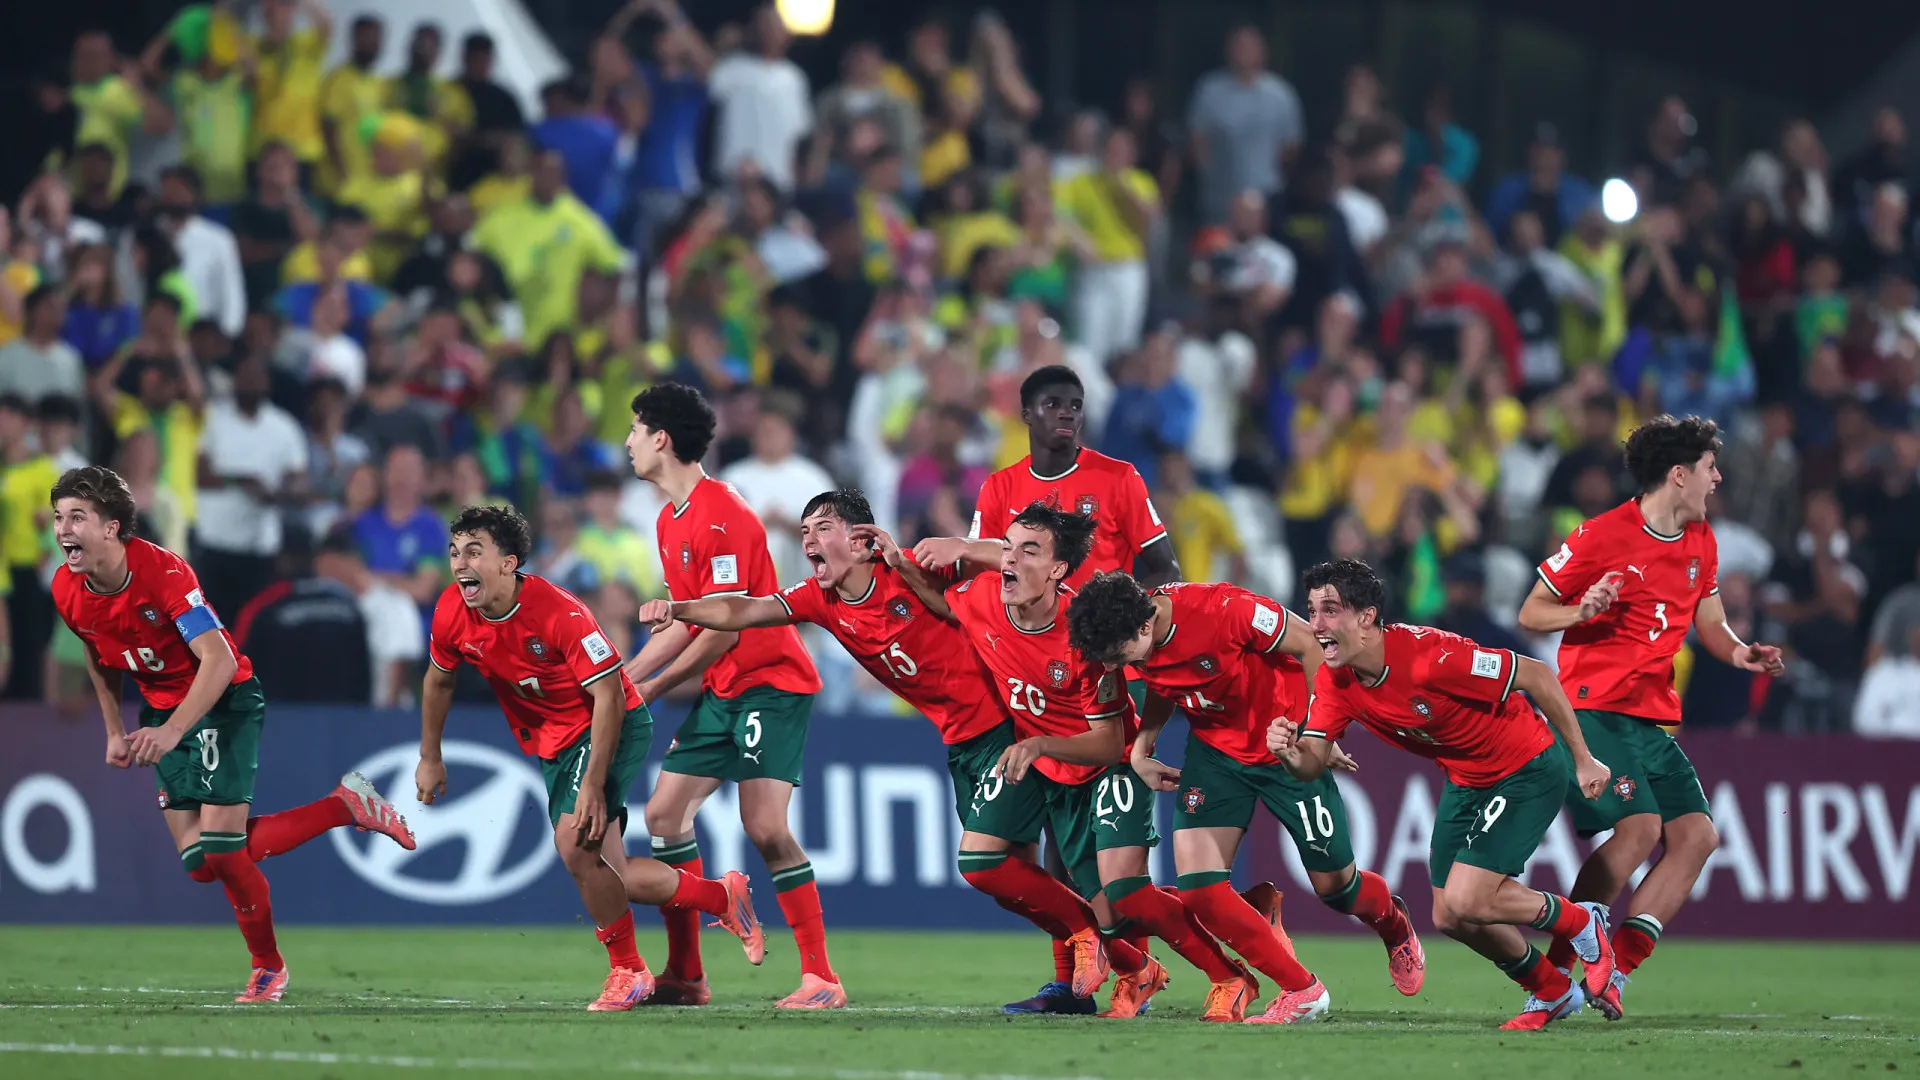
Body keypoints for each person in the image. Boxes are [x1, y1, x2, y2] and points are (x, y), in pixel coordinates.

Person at [639, 488, 1134, 1005]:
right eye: (804, 531)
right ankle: (1088, 974)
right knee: (1017, 872)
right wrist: (679, 607)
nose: (808, 539)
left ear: (859, 542)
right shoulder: (820, 599)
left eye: (822, 528)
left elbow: (1009, 555)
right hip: (960, 740)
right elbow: (745, 609)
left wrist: (957, 546)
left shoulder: (907, 566)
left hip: (1005, 728)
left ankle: (1089, 939)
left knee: (988, 863)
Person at [48, 465, 416, 1002]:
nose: (63, 529)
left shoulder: (165, 574)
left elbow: (217, 661)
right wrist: (113, 728)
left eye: (77, 517)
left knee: (223, 851)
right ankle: (345, 805)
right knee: (200, 864)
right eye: (59, 517)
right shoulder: (68, 587)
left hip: (223, 702)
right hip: (162, 711)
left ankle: (268, 968)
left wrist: (174, 730)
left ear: (112, 528)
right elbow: (96, 649)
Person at [876, 502, 1255, 1019]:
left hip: (1106, 764)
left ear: (1057, 570)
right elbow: (947, 604)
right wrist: (900, 563)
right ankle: (1098, 944)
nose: (1009, 560)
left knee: (1125, 902)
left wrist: (1038, 745)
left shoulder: (1084, 637)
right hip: (1044, 761)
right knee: (980, 862)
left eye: (1028, 550)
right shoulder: (985, 594)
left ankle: (1226, 973)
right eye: (1007, 548)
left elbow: (1106, 739)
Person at [418, 504, 763, 1011]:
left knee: (575, 841)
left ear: (508, 563)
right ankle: (722, 897)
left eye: (474, 551)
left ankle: (628, 970)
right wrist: (430, 756)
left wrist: (594, 785)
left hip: (609, 725)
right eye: (454, 552)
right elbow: (439, 679)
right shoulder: (453, 609)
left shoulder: (560, 611)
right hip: (553, 741)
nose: (460, 563)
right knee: (613, 873)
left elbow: (609, 696)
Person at [1270, 557, 1617, 1031]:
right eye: (1311, 612)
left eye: (1329, 610)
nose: (1316, 625)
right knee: (1451, 916)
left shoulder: (1431, 657)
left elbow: (1537, 674)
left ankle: (1582, 924)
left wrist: (1583, 758)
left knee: (1471, 899)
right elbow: (1312, 764)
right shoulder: (1336, 679)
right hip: (1467, 779)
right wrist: (1290, 754)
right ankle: (1552, 991)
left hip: (1527, 765)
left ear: (1367, 617)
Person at [1515, 414, 1786, 1018]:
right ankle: (1554, 977)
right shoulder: (1600, 536)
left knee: (1697, 836)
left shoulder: (1702, 541)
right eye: (1711, 469)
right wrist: (1581, 609)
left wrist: (1742, 653)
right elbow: (1532, 613)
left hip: (1651, 718)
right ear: (1679, 474)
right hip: (1593, 709)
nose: (1718, 480)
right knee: (1639, 829)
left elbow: (1709, 624)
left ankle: (1617, 971)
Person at [1070, 571, 1412, 1024]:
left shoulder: (1225, 609)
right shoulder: (1135, 635)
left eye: (1118, 656)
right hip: (1215, 754)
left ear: (1146, 626)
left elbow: (1309, 644)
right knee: (1199, 889)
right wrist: (1140, 748)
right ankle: (1301, 989)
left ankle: (1392, 922)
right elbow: (1163, 683)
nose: (1113, 666)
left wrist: (1318, 734)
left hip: (1283, 744)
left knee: (1337, 889)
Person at [619, 383, 839, 1009]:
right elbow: (689, 622)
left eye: (636, 429)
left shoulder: (725, 513)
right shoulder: (671, 520)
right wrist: (628, 679)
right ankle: (687, 974)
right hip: (723, 690)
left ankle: (821, 977)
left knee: (765, 827)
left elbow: (729, 625)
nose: (628, 442)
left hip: (770, 682)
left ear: (661, 438)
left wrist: (655, 687)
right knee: (663, 816)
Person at [918, 365, 1179, 593]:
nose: (1067, 413)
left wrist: (1118, 616)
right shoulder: (999, 486)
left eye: (1075, 406)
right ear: (1027, 415)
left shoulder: (1119, 477)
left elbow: (1167, 571)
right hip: (1023, 641)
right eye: (1053, 404)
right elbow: (974, 572)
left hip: (1097, 643)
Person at [193, 356, 309, 621]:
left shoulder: (284, 427)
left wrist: (277, 495)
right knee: (210, 627)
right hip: (215, 544)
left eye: (256, 377)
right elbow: (201, 476)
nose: (250, 383)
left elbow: (298, 481)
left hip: (260, 549)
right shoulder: (215, 420)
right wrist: (241, 481)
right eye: (244, 376)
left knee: (254, 625)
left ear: (267, 383)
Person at [1185, 24, 1303, 225]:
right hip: (1220, 201)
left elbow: (1291, 148)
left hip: (1267, 199)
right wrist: (1210, 177)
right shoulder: (1209, 91)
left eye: (1249, 47)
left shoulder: (1281, 94)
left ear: (1263, 52)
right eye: (1238, 46)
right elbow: (1197, 141)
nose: (1243, 52)